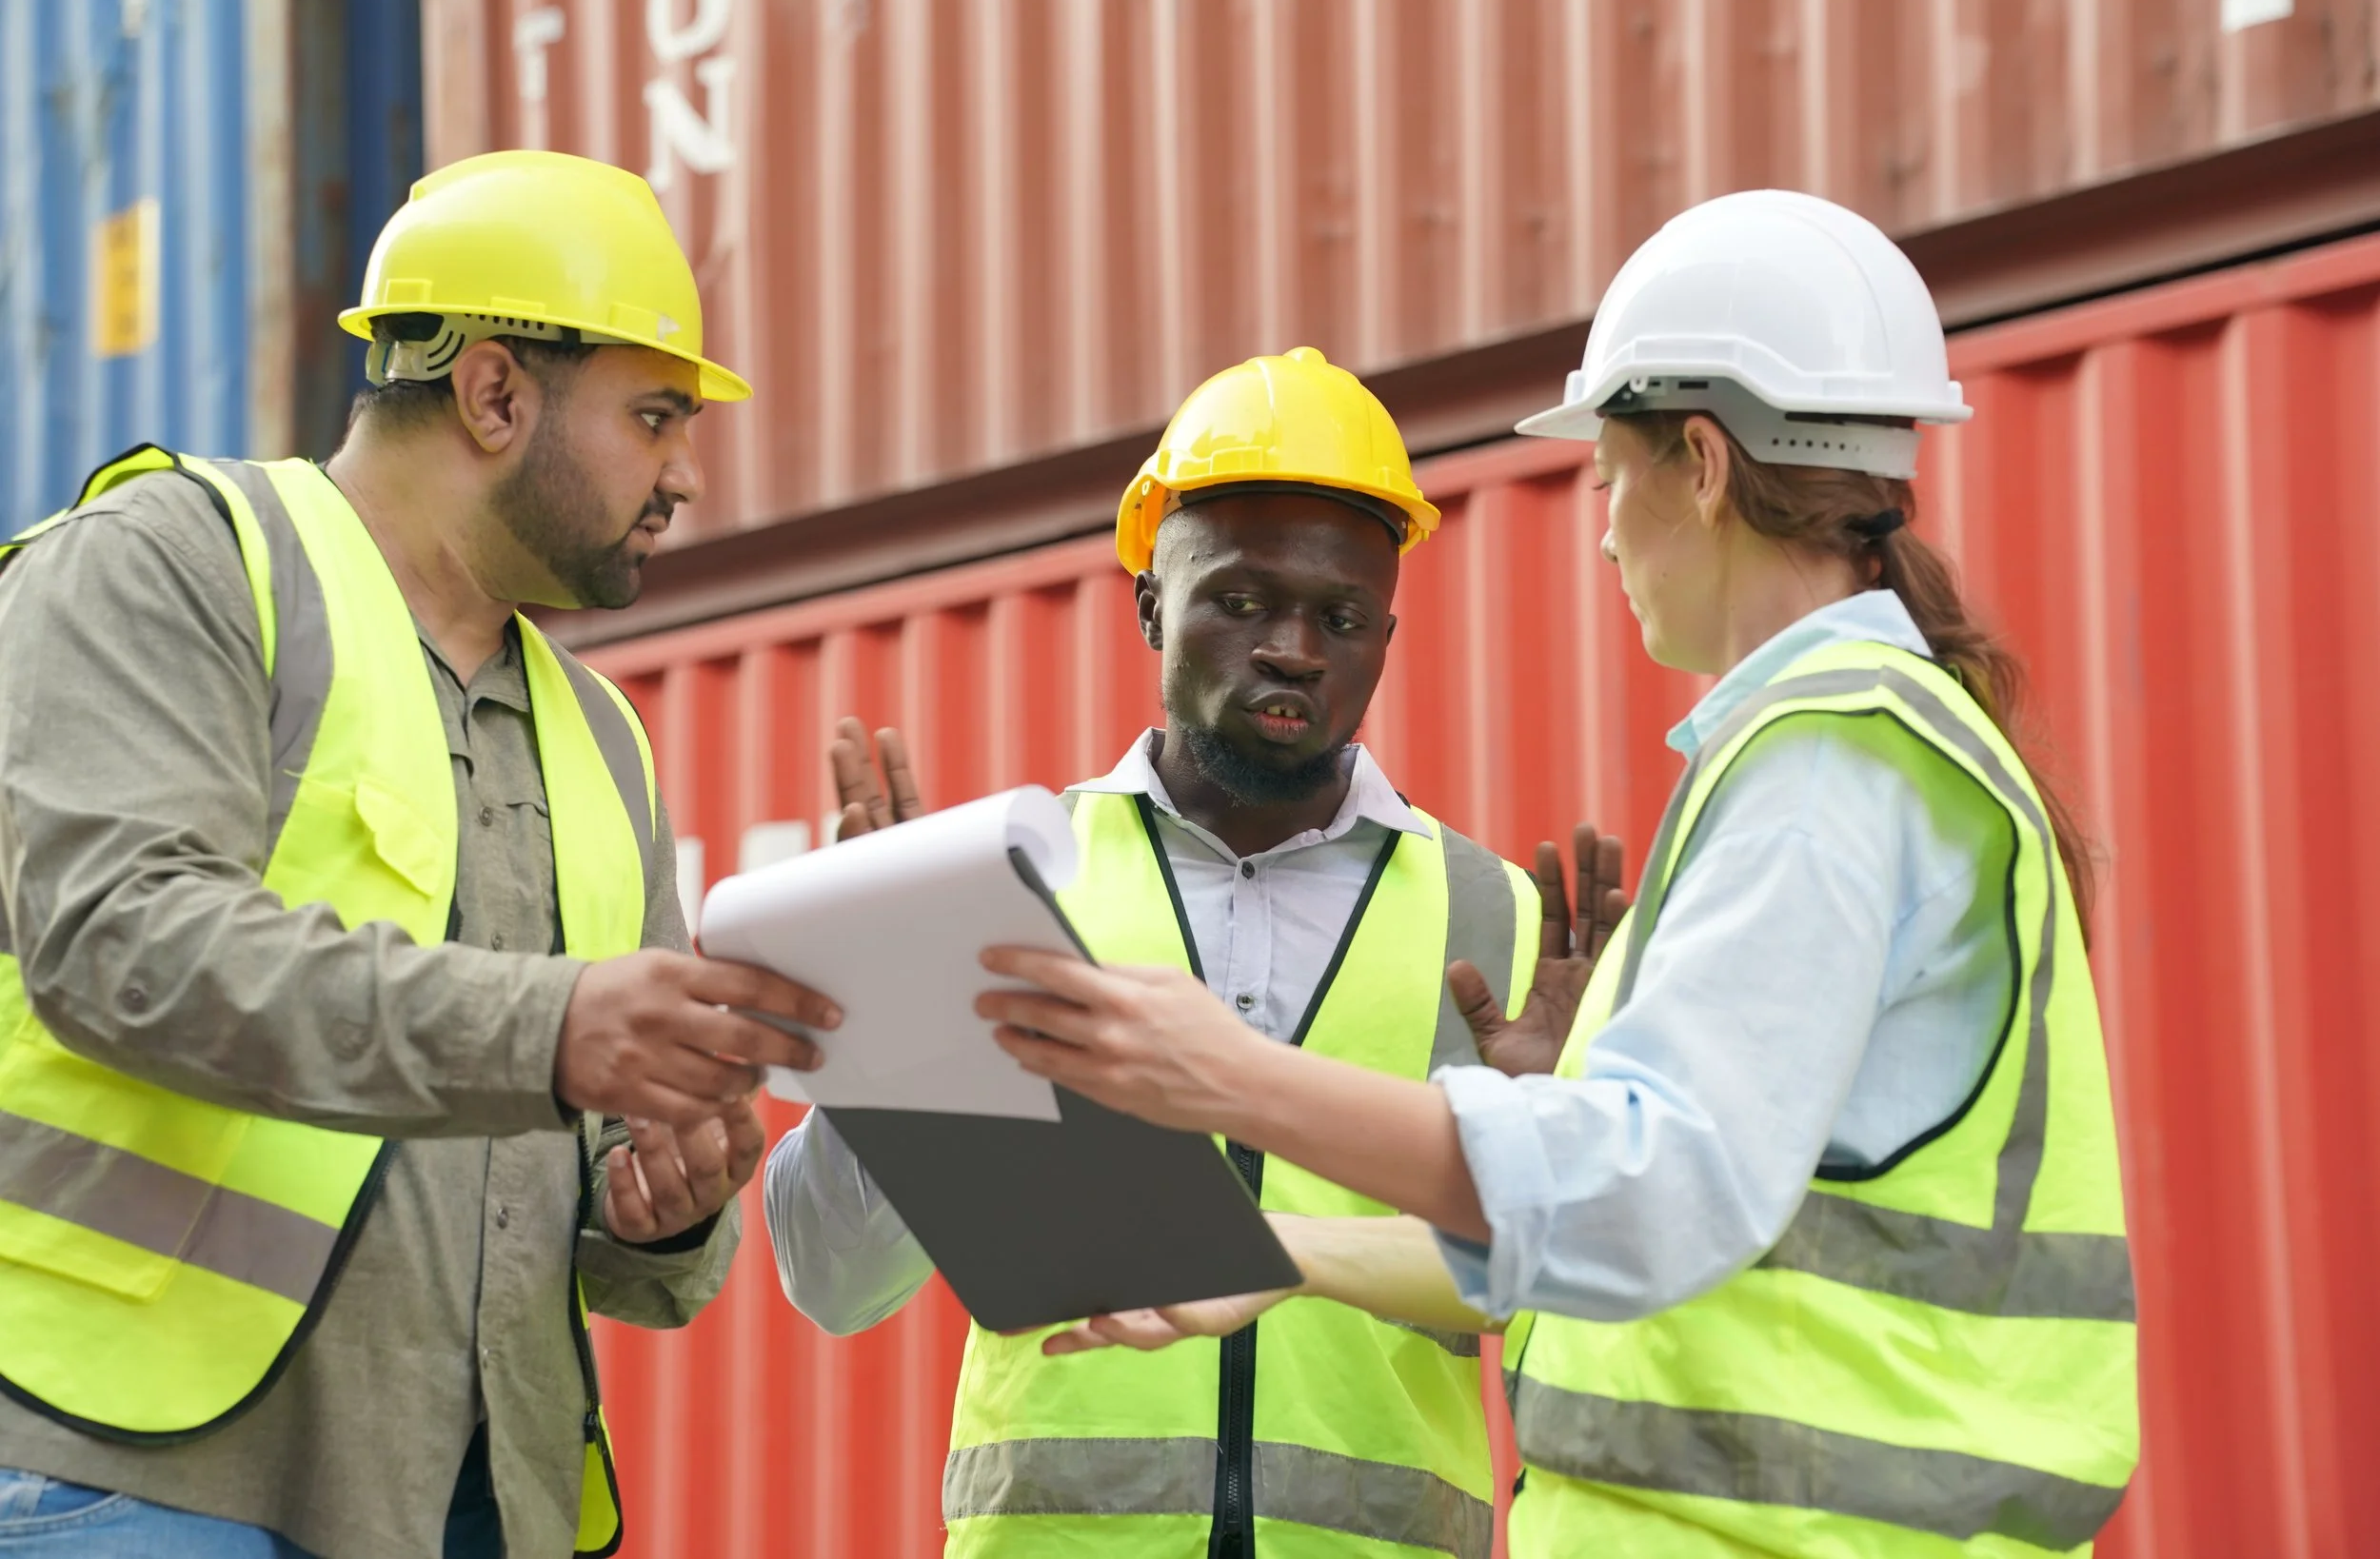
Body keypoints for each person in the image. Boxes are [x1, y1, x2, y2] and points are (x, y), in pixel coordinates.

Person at [972, 192, 2141, 1557]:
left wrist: (1228, 1075)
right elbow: (1663, 1224)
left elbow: (1645, 1191)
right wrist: (1282, 1250)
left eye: (1605, 479)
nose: (1603, 535)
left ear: (1700, 463)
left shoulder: (1830, 762)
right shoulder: (1846, 749)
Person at [0, 149, 841, 1559]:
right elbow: (121, 944)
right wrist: (554, 1026)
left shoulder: (603, 738)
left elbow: (589, 1202)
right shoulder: (172, 561)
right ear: (495, 392)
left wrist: (662, 1206)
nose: (686, 475)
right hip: (125, 1469)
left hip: (472, 1504)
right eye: (654, 416)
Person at [764, 346, 1629, 1559]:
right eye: (1240, 600)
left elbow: (1596, 1301)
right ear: (1149, 605)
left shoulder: (1502, 924)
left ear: (1386, 634)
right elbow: (833, 1279)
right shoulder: (1015, 887)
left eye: (1340, 618)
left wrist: (1557, 1163)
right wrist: (897, 1023)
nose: (1292, 648)